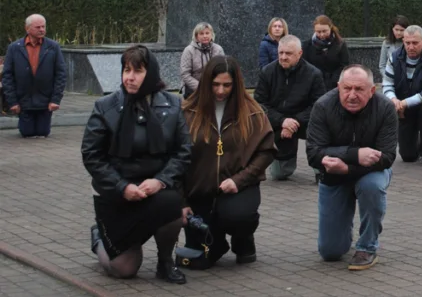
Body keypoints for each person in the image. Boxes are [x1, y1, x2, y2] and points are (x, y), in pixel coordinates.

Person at [81, 45, 191, 284]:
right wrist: (122, 187)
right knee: (124, 269)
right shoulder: (106, 106)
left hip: (154, 189)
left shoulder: (172, 105)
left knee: (172, 203)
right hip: (116, 195)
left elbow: (183, 152)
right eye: (126, 70)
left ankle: (165, 262)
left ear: (150, 73)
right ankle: (99, 238)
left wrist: (160, 181)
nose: (129, 77)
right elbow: (92, 155)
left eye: (137, 71)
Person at [180, 56, 276, 269]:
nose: (221, 91)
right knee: (201, 258)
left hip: (237, 188)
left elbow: (266, 152)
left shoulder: (252, 112)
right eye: (215, 85)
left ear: (236, 84)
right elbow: (174, 159)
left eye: (227, 85)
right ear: (206, 83)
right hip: (199, 192)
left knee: (239, 216)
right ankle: (217, 240)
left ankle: (243, 239)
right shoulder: (187, 112)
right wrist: (182, 201)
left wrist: (240, 179)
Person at [306, 65, 398, 271]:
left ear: (372, 90)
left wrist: (347, 169)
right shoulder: (322, 106)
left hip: (370, 174)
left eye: (359, 89)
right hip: (333, 178)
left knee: (372, 187)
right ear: (338, 87)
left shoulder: (385, 108)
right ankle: (341, 231)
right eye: (347, 89)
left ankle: (367, 246)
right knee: (330, 252)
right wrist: (355, 154)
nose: (352, 95)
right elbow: (313, 153)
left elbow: (387, 157)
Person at [254, 35, 326, 180]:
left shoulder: (314, 74)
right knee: (279, 174)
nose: (283, 57)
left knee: (322, 127)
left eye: (288, 53)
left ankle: (320, 167)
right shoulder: (267, 72)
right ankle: (285, 157)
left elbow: (318, 105)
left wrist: (294, 121)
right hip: (279, 124)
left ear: (299, 54)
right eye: (281, 53)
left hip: (305, 122)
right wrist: (282, 121)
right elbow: (259, 104)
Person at [382, 25, 422, 165]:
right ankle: (418, 143)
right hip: (403, 105)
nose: (411, 47)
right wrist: (394, 100)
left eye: (415, 43)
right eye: (407, 43)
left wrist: (405, 103)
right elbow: (387, 84)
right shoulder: (394, 57)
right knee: (408, 156)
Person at [2, 14, 67, 138]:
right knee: (27, 133)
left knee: (43, 132)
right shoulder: (14, 48)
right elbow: (7, 76)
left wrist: (55, 99)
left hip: (45, 101)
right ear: (27, 28)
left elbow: (61, 74)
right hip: (23, 101)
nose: (42, 29)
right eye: (38, 27)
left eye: (43, 26)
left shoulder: (53, 47)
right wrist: (12, 102)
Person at [179, 22, 225, 99]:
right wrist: (201, 87)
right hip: (194, 88)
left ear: (211, 35)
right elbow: (185, 74)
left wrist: (214, 86)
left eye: (207, 33)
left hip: (214, 86)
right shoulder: (188, 50)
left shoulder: (218, 49)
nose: (205, 36)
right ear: (196, 36)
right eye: (201, 33)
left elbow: (223, 70)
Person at [303, 15, 351, 87]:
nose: (322, 34)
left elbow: (344, 65)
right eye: (318, 32)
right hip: (314, 84)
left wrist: (334, 80)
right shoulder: (307, 45)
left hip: (334, 84)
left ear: (330, 28)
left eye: (324, 31)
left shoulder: (340, 44)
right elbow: (305, 65)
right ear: (314, 30)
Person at [378, 15, 410, 80]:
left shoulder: (410, 43)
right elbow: (382, 66)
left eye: (402, 30)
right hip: (390, 80)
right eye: (396, 29)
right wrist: (388, 78)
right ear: (392, 29)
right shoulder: (386, 43)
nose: (398, 33)